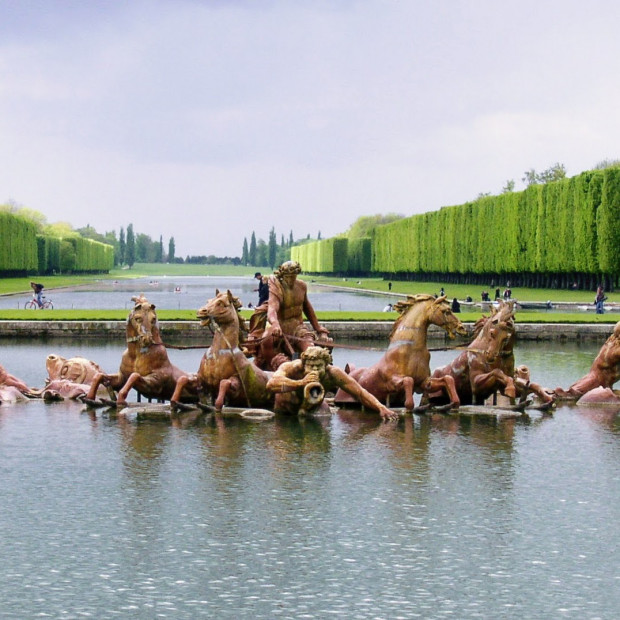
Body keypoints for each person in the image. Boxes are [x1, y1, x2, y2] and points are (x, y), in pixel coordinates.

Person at [266, 346, 397, 420]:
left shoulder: (333, 373)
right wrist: (301, 383)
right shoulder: (293, 367)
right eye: (310, 366)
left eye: (318, 366)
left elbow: (360, 393)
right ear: (303, 364)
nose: (314, 370)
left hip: (312, 407)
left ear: (327, 365)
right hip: (286, 408)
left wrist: (381, 408)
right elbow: (271, 384)